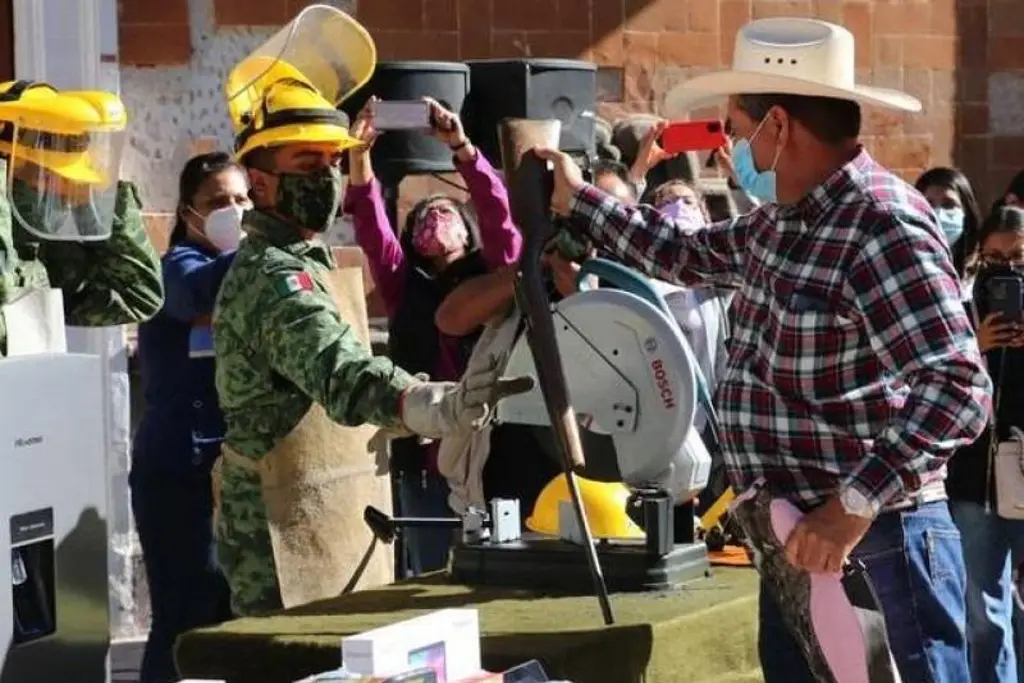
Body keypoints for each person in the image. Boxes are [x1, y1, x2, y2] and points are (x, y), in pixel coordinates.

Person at [536, 17, 991, 682]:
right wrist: (579, 199)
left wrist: (848, 510)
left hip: (876, 545)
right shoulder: (781, 221)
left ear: (778, 126)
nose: (733, 148)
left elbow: (958, 388)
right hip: (801, 545)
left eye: (738, 129)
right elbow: (682, 253)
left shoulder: (881, 225)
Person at [212, 9, 531, 617]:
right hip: (281, 530)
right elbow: (346, 374)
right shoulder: (274, 277)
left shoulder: (305, 258)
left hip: (326, 507)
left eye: (333, 163)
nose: (326, 178)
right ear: (260, 182)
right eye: (307, 167)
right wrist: (438, 406)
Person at [344, 96, 521, 575]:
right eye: (424, 215)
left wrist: (461, 148)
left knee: (491, 571)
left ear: (467, 231)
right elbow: (372, 229)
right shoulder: (405, 287)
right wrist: (359, 157)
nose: (435, 218)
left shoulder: (492, 278)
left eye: (445, 211)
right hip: (424, 457)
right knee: (429, 573)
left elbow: (500, 215)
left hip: (490, 452)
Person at [130, 152, 247, 683]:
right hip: (178, 472)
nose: (235, 211)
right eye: (218, 202)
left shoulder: (251, 274)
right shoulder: (178, 267)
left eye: (244, 199)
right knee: (183, 619)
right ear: (189, 213)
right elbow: (194, 295)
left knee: (226, 616)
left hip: (233, 471)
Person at [0, 80, 162, 349]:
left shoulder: (41, 259)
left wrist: (101, 199)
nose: (63, 194)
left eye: (69, 182)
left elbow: (139, 296)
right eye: (48, 177)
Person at [947, 205, 1024, 683]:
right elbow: (933, 381)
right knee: (983, 611)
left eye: (1018, 258)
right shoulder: (959, 310)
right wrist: (974, 345)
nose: (1008, 270)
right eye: (995, 259)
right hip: (974, 481)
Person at [915, 167, 982, 279]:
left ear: (966, 211)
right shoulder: (909, 264)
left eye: (949, 205)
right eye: (929, 204)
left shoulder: (983, 268)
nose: (938, 214)